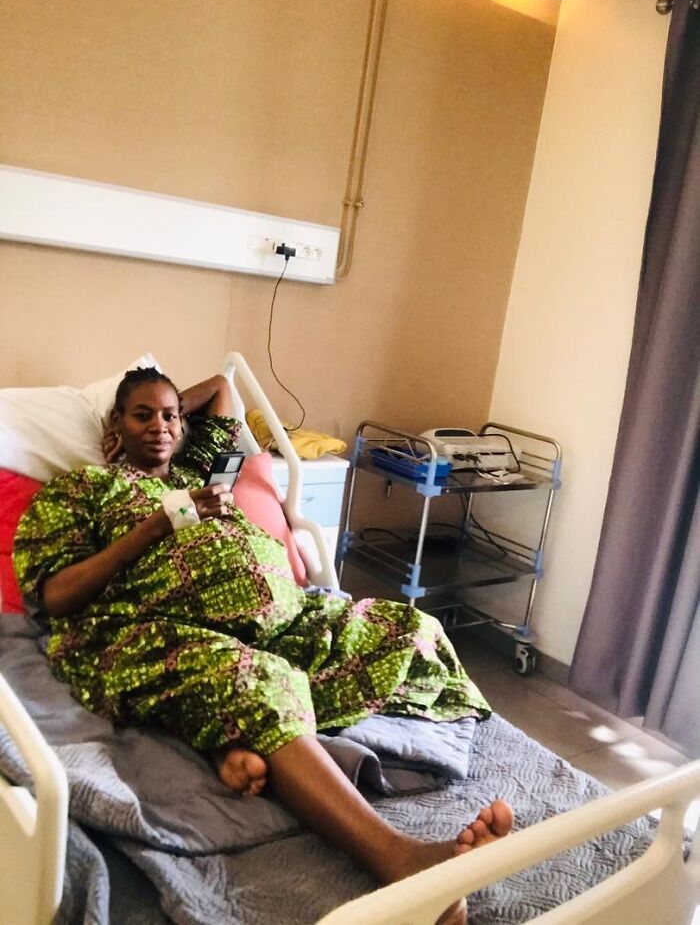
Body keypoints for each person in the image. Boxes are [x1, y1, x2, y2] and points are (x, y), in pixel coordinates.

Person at [13, 367, 513, 924]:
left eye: (170, 416)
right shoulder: (85, 489)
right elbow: (55, 595)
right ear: (114, 426)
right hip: (159, 627)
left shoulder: (201, 473)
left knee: (413, 630)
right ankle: (405, 861)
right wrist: (152, 527)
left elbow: (225, 390)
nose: (160, 426)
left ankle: (226, 740)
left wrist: (175, 406)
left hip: (283, 618)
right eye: (142, 415)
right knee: (256, 683)